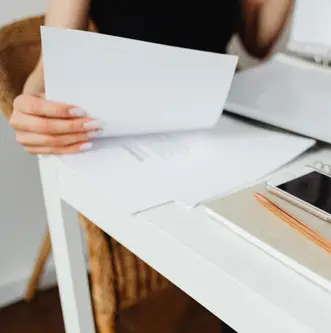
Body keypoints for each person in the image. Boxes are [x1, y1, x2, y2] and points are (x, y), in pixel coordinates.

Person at [8, 0, 292, 332]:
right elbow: (48, 71)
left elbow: (257, 43)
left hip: (225, 129)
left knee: (268, 263)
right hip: (137, 143)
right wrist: (34, 107)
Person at [8, 0, 291, 156]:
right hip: (134, 125)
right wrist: (33, 110)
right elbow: (52, 65)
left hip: (221, 115)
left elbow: (257, 43)